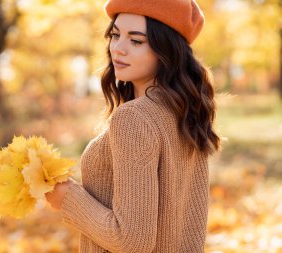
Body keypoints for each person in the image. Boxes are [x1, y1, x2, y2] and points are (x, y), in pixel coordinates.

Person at [45, 0, 221, 252]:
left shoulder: (135, 119)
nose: (118, 48)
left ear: (166, 49)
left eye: (136, 40)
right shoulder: (184, 113)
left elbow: (131, 241)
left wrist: (68, 198)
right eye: (115, 35)